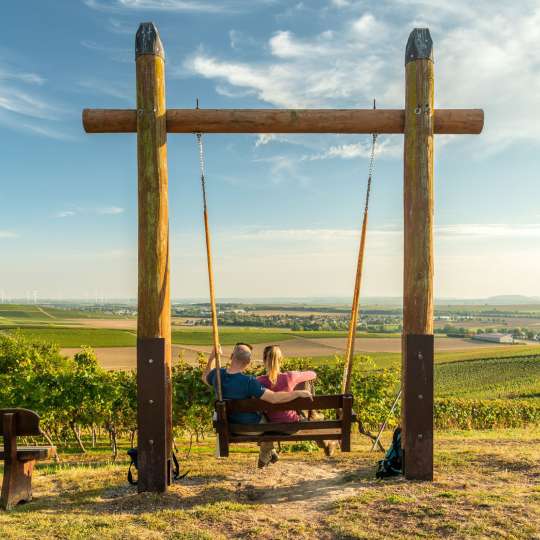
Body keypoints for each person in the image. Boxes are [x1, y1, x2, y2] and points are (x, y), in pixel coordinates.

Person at [202, 342, 312, 468]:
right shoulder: (250, 382)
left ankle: (269, 452)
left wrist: (212, 357)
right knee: (269, 421)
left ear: (231, 356)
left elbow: (205, 377)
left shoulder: (217, 375)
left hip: (230, 426)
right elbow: (274, 398)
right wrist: (297, 393)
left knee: (267, 419)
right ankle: (267, 452)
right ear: (248, 362)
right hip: (253, 429)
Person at [257, 345, 337, 456]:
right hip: (292, 426)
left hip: (270, 426)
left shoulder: (258, 381)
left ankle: (267, 454)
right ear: (281, 360)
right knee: (310, 421)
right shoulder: (290, 377)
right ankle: (327, 443)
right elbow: (313, 374)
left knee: (309, 419)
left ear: (264, 360)